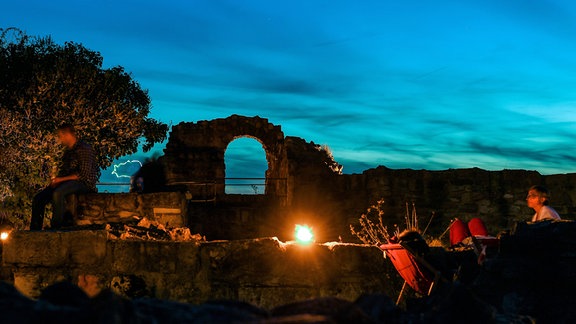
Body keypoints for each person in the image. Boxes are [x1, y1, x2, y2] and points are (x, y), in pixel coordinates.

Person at [30, 124, 99, 230]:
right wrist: (56, 181)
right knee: (39, 198)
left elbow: (83, 175)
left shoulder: (84, 149)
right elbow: (64, 171)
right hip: (68, 182)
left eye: (60, 136)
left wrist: (61, 180)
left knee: (58, 193)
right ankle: (35, 228)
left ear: (66, 134)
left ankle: (57, 226)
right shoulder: (68, 151)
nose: (60, 139)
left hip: (84, 183)